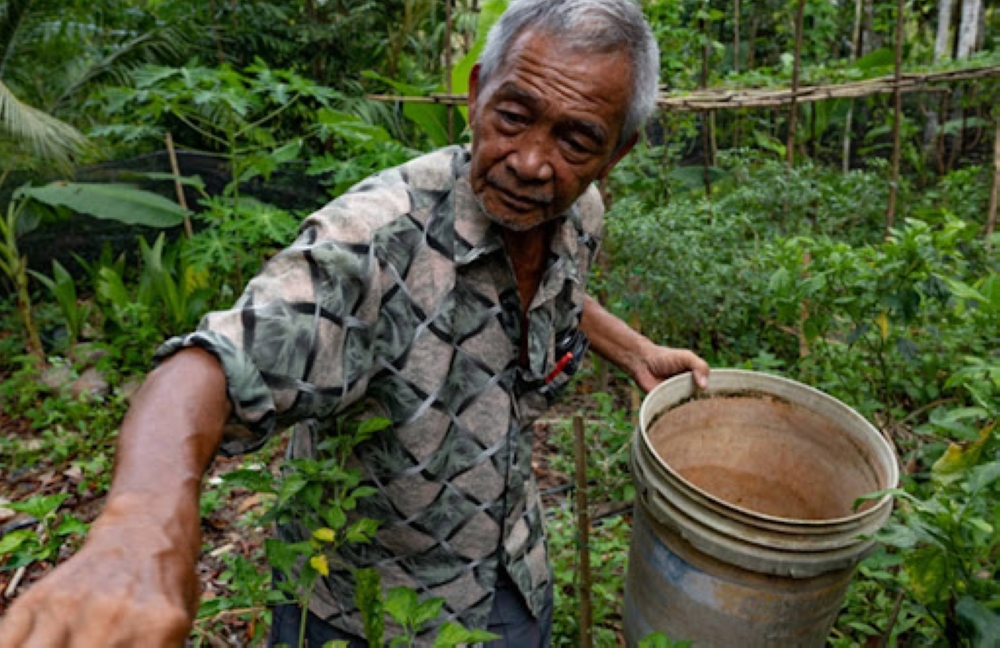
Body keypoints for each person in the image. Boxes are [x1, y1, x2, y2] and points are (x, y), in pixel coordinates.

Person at [0, 0, 709, 645]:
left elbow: (550, 287)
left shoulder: (578, 214)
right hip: (360, 611)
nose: (530, 162)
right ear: (475, 91)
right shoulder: (373, 241)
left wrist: (633, 348)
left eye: (575, 141)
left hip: (511, 579)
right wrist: (140, 526)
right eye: (513, 116)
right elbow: (212, 363)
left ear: (616, 153)